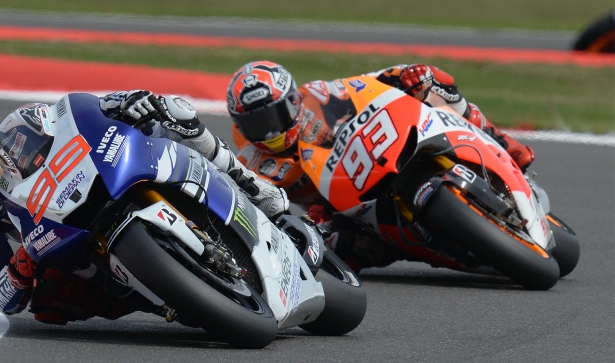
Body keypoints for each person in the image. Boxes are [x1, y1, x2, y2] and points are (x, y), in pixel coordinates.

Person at [0, 91, 288, 325]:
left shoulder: (21, 123)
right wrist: (20, 264)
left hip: (101, 176)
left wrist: (123, 102)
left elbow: (78, 114)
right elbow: (2, 296)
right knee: (47, 305)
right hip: (64, 242)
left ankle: (252, 186)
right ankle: (171, 298)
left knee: (172, 116)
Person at [226, 60, 536, 270]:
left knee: (436, 83)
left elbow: (367, 84)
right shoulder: (252, 161)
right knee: (336, 249)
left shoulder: (318, 95)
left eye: (273, 116)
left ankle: (504, 142)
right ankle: (420, 246)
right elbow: (263, 211)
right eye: (257, 124)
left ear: (292, 100)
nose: (270, 131)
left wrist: (407, 76)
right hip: (338, 205)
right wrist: (309, 226)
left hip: (378, 148)